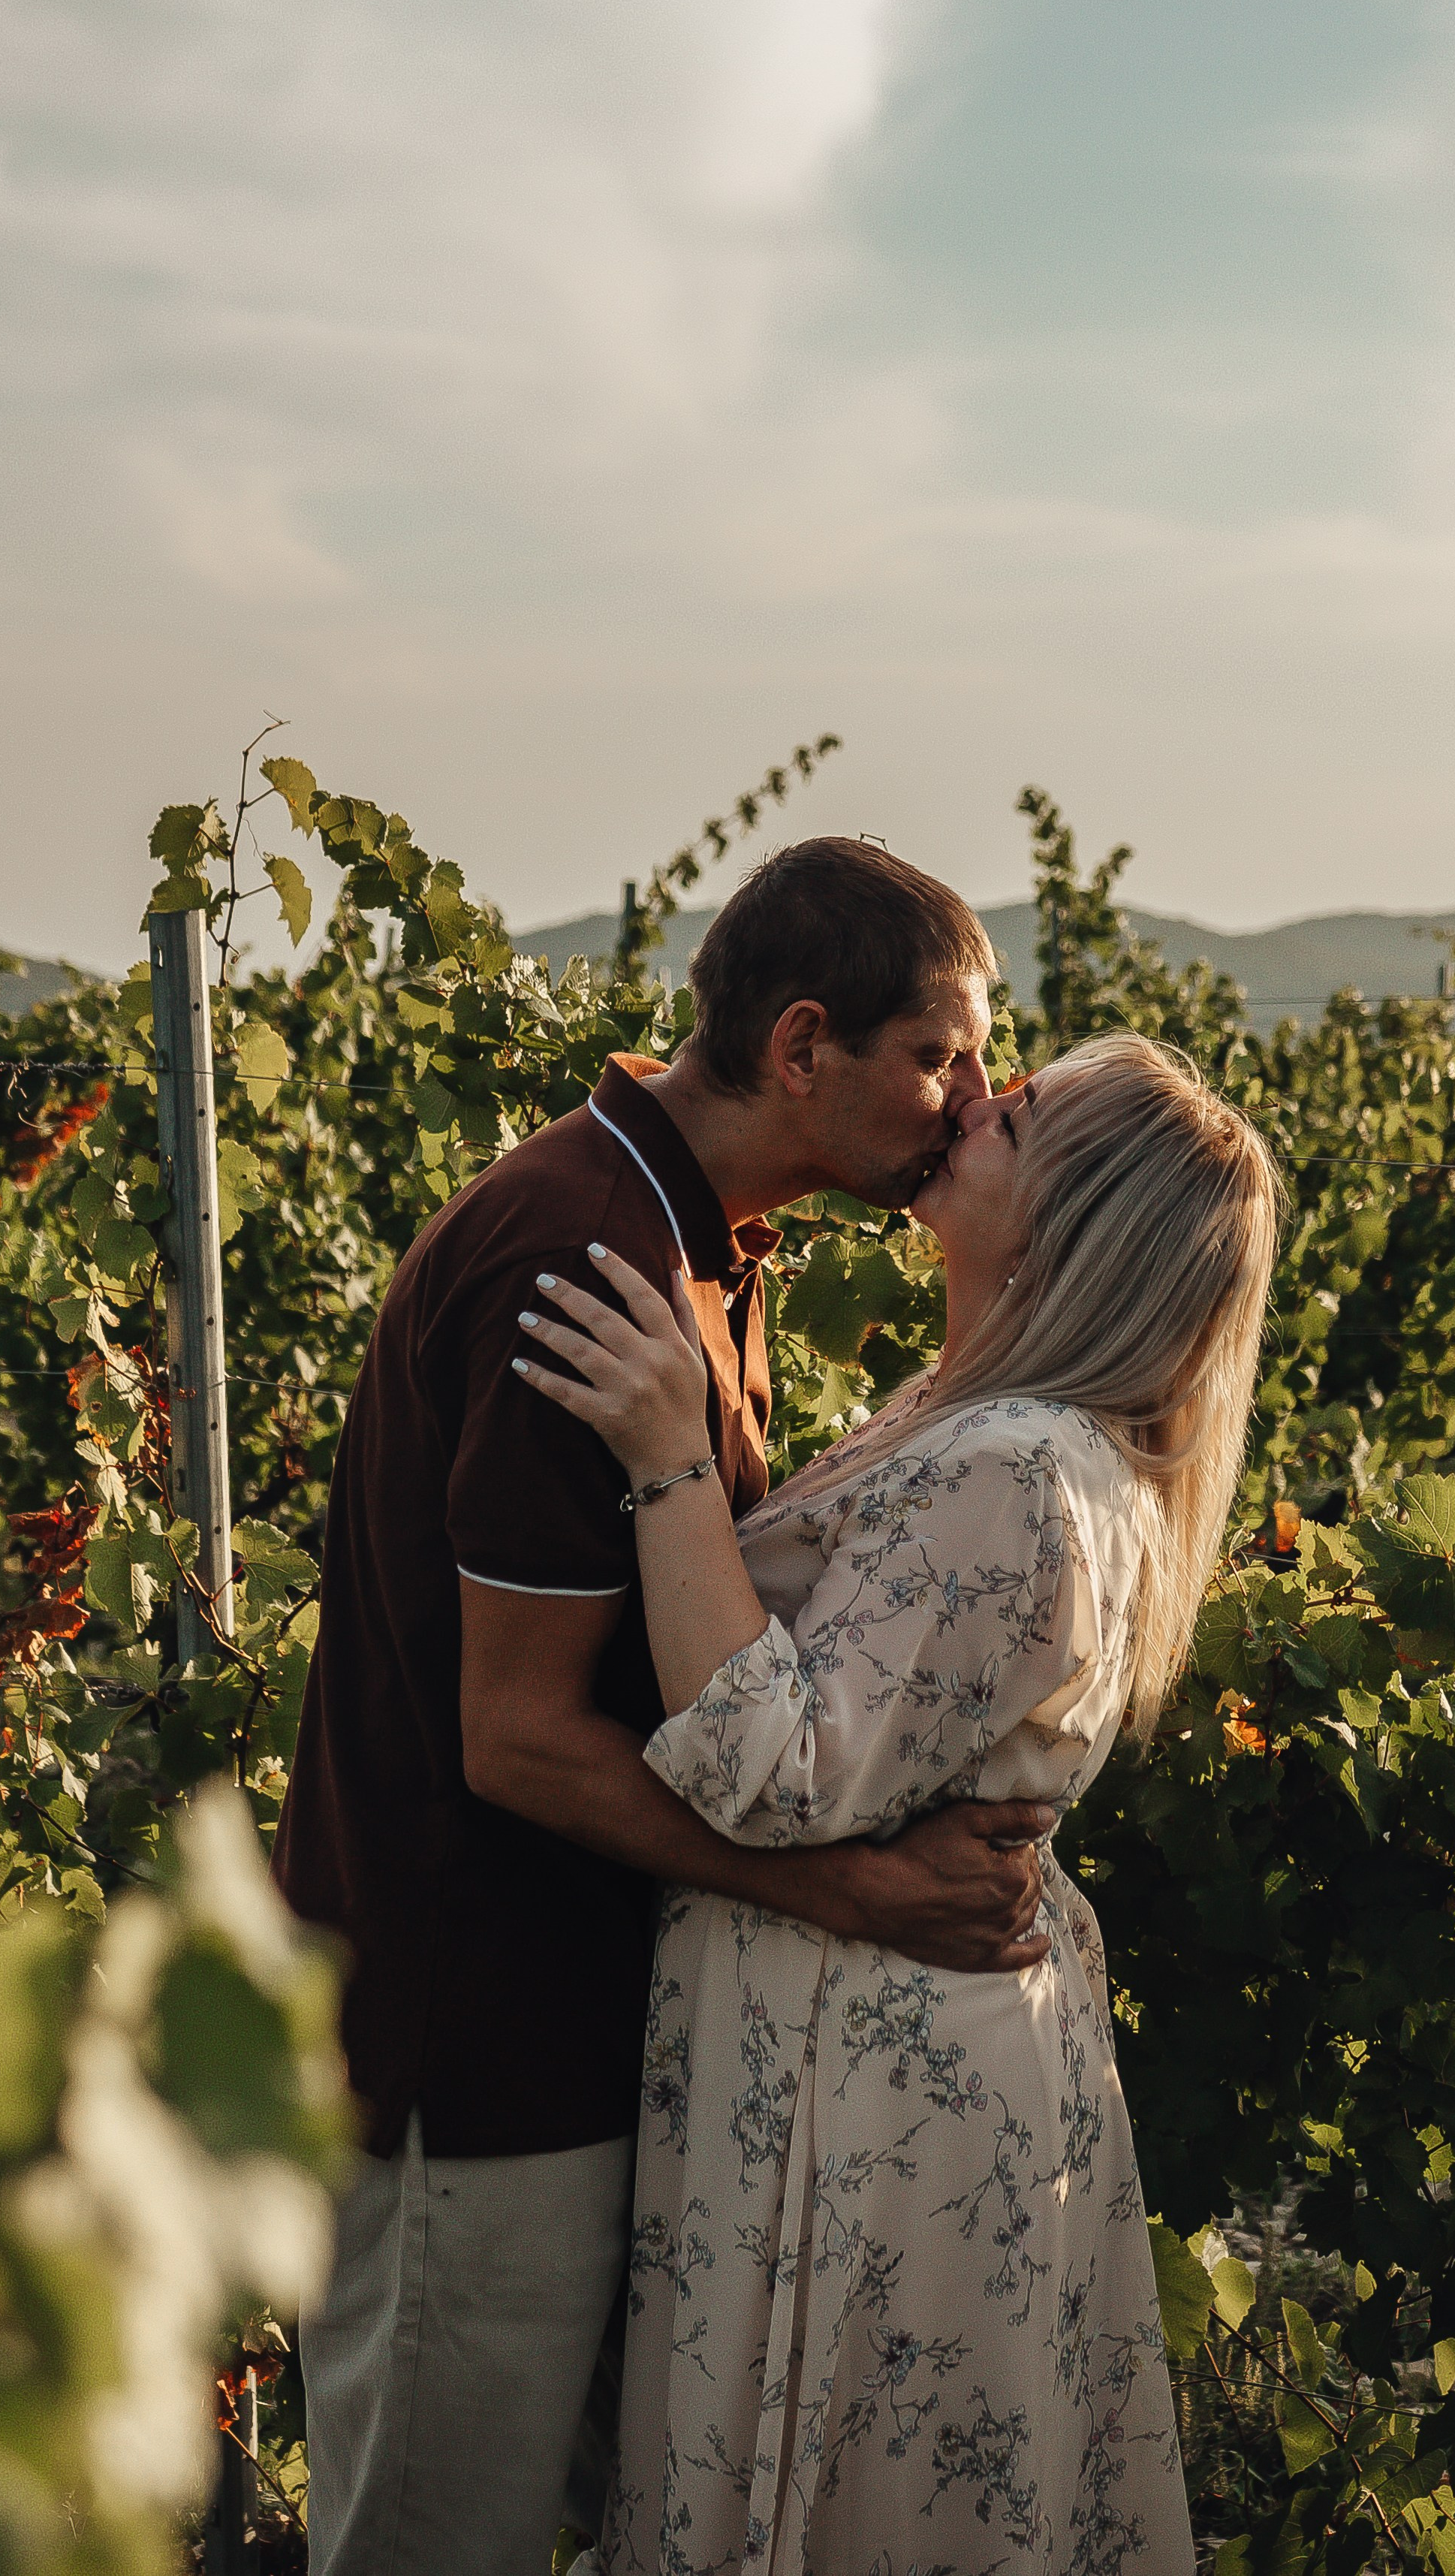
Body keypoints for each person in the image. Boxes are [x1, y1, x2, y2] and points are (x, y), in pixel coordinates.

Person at [274, 840, 1065, 2576]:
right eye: (940, 1054)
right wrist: (846, 1888)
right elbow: (521, 1733)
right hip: (464, 2045)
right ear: (802, 1046)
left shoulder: (688, 1234)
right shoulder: (592, 1256)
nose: (970, 1101)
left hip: (558, 2025)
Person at [511, 1029, 1281, 2576]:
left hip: (872, 2077)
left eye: (1025, 1109)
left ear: (1076, 1221)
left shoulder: (1016, 1464)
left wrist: (669, 1461)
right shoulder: (983, 1418)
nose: (975, 1104)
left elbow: (768, 1771)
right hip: (884, 2034)